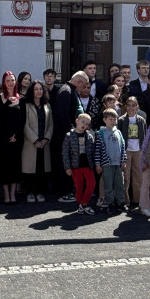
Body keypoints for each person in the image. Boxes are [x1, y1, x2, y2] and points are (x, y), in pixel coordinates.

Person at [53, 71, 88, 201]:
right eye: (83, 85)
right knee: (65, 163)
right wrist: (72, 130)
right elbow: (63, 114)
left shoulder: (67, 90)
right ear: (79, 82)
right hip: (64, 134)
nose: (83, 89)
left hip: (65, 133)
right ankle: (64, 192)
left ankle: (67, 190)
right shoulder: (66, 91)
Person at [0, 71, 24, 203]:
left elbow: (23, 120)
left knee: (15, 167)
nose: (11, 83)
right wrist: (6, 137)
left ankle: (13, 194)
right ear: (4, 83)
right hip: (3, 139)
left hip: (17, 139)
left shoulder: (21, 99)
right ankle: (6, 195)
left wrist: (16, 136)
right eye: (8, 81)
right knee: (4, 167)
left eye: (12, 80)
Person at [21, 81, 53, 203]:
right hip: (31, 143)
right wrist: (35, 140)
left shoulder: (47, 106)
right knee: (30, 170)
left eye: (41, 89)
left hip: (44, 143)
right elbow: (26, 124)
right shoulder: (27, 105)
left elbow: (51, 124)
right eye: (36, 89)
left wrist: (46, 138)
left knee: (41, 168)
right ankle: (29, 192)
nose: (39, 91)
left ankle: (40, 192)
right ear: (32, 91)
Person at [62, 112, 98, 215]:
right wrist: (67, 167)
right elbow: (65, 152)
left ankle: (84, 204)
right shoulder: (69, 136)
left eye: (87, 124)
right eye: (83, 122)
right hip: (75, 166)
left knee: (91, 184)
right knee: (79, 186)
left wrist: (96, 164)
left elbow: (92, 151)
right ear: (76, 121)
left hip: (87, 164)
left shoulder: (89, 136)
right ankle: (81, 205)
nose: (84, 125)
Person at [94, 108, 126, 213]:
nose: (113, 121)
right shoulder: (101, 133)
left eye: (115, 119)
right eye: (110, 119)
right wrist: (98, 164)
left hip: (118, 163)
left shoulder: (119, 132)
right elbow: (98, 150)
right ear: (104, 120)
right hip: (107, 163)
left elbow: (123, 147)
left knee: (119, 184)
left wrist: (123, 160)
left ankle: (120, 202)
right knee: (108, 185)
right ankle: (110, 203)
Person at [120, 97, 148, 210]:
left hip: (138, 150)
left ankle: (137, 199)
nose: (131, 108)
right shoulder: (121, 120)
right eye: (129, 105)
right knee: (126, 176)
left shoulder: (141, 120)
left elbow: (145, 136)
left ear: (137, 107)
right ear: (126, 107)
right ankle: (125, 200)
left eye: (133, 105)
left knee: (138, 176)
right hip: (127, 150)